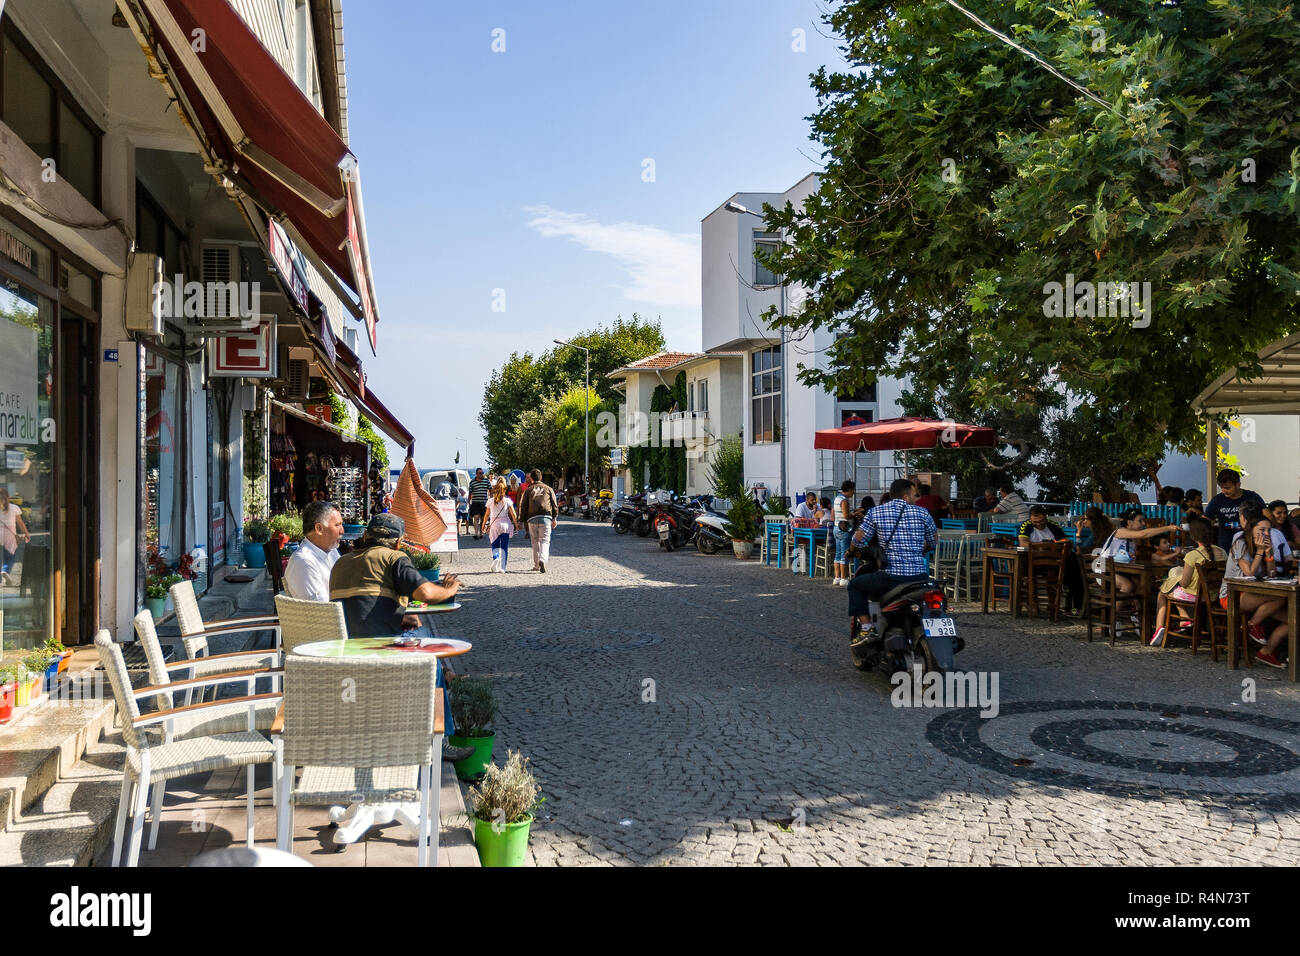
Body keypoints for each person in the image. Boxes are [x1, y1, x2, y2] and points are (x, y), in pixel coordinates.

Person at [328, 512, 468, 759]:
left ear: (366, 537)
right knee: (431, 661)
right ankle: (441, 739)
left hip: (346, 651)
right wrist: (450, 589)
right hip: (381, 651)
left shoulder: (342, 562)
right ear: (398, 542)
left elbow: (362, 605)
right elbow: (425, 593)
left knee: (420, 633)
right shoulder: (393, 557)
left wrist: (397, 614)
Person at [847, 479, 936, 631]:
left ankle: (867, 626)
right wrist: (922, 549)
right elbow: (933, 541)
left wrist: (851, 551)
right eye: (915, 495)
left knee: (854, 586)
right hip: (920, 578)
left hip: (891, 578)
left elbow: (859, 539)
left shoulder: (876, 512)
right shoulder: (923, 512)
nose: (917, 499)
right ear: (906, 497)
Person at [1222, 513, 1289, 667]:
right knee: (1279, 598)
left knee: (1293, 618)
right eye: (1262, 530)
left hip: (1259, 595)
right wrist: (1260, 550)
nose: (1266, 534)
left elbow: (1272, 574)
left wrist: (1269, 553)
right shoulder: (1240, 543)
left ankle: (1266, 652)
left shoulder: (1265, 545)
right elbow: (1249, 572)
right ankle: (1253, 625)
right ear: (1251, 529)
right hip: (1233, 595)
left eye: (1268, 530)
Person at [1151, 516, 1225, 647]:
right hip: (1214, 595)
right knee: (1173, 588)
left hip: (1196, 597)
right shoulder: (1223, 552)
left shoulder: (1192, 555)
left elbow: (1184, 583)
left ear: (1194, 536)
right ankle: (1183, 619)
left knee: (1164, 592)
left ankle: (1160, 627)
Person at [1095, 508, 1180, 594]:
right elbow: (1143, 534)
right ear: (1129, 522)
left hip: (1118, 571)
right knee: (1127, 585)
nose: (1143, 523)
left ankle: (1139, 607)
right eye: (1140, 521)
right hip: (1103, 571)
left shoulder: (1133, 540)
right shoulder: (1120, 531)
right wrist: (1168, 528)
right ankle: (1116, 608)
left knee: (1141, 583)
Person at [283, 500, 343, 602]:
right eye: (337, 525)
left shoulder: (331, 551)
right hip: (331, 616)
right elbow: (322, 607)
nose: (342, 530)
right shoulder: (304, 561)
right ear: (319, 528)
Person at [1203, 468, 1266, 551]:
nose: (1224, 491)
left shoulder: (1252, 497)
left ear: (1238, 485)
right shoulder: (1217, 500)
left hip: (1250, 544)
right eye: (1222, 488)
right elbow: (1204, 520)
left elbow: (1267, 515)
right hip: (1226, 545)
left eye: (1228, 488)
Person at [519, 468, 558, 572]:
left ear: (531, 478)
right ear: (541, 477)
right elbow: (554, 504)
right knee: (545, 540)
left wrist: (521, 520)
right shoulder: (548, 489)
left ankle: (536, 565)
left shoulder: (528, 490)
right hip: (546, 518)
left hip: (532, 518)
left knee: (535, 542)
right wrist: (554, 518)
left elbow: (523, 506)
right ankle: (542, 559)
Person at [483, 479, 518, 572]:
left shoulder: (490, 501)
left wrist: (483, 525)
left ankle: (496, 558)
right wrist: (516, 524)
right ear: (504, 490)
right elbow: (514, 515)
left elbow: (486, 515)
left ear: (495, 490)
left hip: (494, 525)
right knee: (504, 547)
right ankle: (503, 568)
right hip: (505, 525)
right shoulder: (507, 501)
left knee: (495, 545)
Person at [0, 488, 30, 586]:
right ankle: (5, 570)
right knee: (10, 556)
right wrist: (26, 533)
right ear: (8, 497)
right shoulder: (14, 507)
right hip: (9, 535)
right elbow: (20, 522)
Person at [831, 480, 856, 587]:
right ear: (849, 489)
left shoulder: (837, 498)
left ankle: (837, 578)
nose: (853, 492)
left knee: (838, 553)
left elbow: (833, 515)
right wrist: (855, 514)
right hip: (844, 529)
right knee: (844, 554)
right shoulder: (844, 500)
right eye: (853, 490)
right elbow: (846, 516)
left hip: (836, 528)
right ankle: (844, 578)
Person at [467, 468, 491, 540]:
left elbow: (490, 489)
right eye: (480, 473)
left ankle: (481, 532)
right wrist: (469, 502)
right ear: (477, 474)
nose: (482, 474)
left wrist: (491, 499)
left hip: (484, 503)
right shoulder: (472, 482)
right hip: (475, 503)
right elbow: (470, 493)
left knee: (483, 519)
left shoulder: (486, 481)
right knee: (476, 517)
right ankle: (476, 533)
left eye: (482, 473)